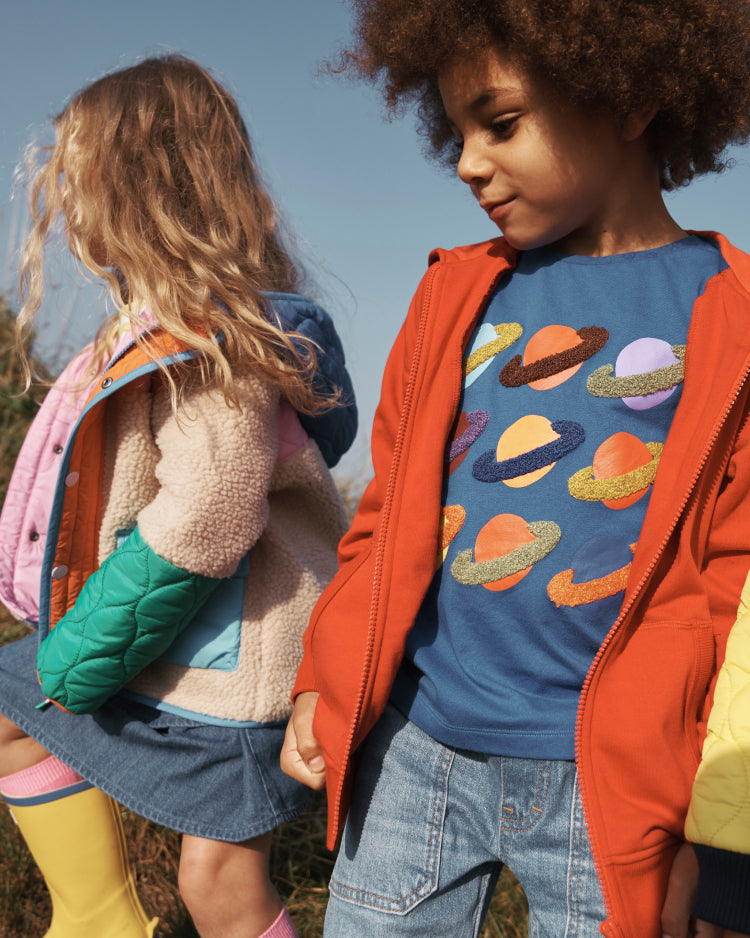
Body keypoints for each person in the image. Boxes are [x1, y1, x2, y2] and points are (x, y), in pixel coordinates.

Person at [281, 1, 750, 936]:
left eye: (500, 123)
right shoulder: (456, 291)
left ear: (632, 98)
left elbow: (737, 590)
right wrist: (321, 677)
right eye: (455, 131)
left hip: (613, 780)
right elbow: (381, 518)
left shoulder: (733, 316)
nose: (467, 162)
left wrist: (723, 847)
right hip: (415, 749)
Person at [0, 55, 357, 938]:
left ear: (132, 186)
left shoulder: (216, 334)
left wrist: (86, 644)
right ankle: (98, 920)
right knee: (10, 710)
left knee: (219, 885)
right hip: (175, 647)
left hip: (239, 673)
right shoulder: (153, 327)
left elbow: (211, 511)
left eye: (76, 178)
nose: (68, 205)